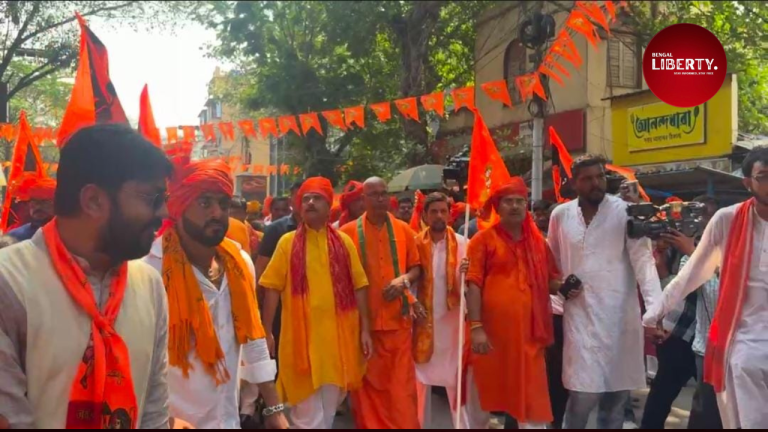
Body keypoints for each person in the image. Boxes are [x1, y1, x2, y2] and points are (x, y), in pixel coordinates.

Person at [0, 124, 173, 428]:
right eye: (151, 197)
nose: (163, 213)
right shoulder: (9, 280)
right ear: (93, 200)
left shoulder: (149, 285)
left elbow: (154, 412)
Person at [144, 159, 288, 429]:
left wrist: (274, 408)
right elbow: (137, 364)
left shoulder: (240, 262)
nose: (217, 213)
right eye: (204, 203)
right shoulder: (148, 269)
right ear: (179, 205)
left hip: (227, 420)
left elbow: (253, 337)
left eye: (223, 204)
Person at [643, 147, 768, 429]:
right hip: (742, 349)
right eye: (764, 177)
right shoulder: (728, 220)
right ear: (747, 183)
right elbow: (692, 273)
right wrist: (654, 313)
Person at [547, 155, 661, 429]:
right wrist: (558, 289)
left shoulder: (626, 212)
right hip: (579, 318)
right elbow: (551, 264)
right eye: (587, 179)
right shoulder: (560, 215)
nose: (596, 183)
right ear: (574, 183)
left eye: (600, 177)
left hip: (620, 321)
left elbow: (643, 262)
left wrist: (655, 312)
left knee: (615, 402)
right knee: (581, 397)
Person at [260, 177, 373, 429]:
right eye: (306, 199)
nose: (310, 203)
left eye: (317, 198)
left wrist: (365, 330)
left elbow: (360, 286)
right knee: (306, 415)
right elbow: (272, 288)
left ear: (329, 205)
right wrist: (266, 331)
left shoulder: (343, 243)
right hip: (300, 343)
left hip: (336, 343)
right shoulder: (287, 243)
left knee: (328, 410)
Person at [466, 178, 567, 429]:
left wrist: (570, 286)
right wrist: (476, 327)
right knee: (484, 391)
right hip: (492, 336)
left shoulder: (538, 243)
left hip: (530, 335)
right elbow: (473, 285)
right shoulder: (482, 240)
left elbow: (551, 281)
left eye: (520, 201)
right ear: (498, 207)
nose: (514, 206)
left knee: (531, 394)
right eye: (508, 201)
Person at [340, 177, 423, 429]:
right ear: (363, 199)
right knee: (367, 391)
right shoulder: (347, 234)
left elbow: (416, 267)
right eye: (374, 194)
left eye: (383, 193)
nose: (380, 199)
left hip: (398, 323)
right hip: (363, 325)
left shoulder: (404, 230)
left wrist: (404, 280)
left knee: (401, 389)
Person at [413, 192, 477, 428]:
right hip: (423, 323)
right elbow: (411, 280)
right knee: (419, 381)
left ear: (450, 215)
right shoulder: (415, 244)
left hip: (452, 325)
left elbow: (470, 287)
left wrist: (465, 274)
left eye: (443, 211)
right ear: (425, 215)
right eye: (434, 212)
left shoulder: (464, 244)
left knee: (456, 381)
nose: (439, 216)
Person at [639, 235, 698, 429]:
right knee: (661, 396)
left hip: (705, 338)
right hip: (680, 334)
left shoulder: (698, 251)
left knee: (707, 404)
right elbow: (677, 292)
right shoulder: (687, 247)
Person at [675, 196, 723, 430]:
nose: (705, 221)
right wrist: (694, 253)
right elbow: (684, 288)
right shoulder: (688, 257)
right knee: (706, 411)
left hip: (744, 347)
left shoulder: (737, 250)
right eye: (699, 216)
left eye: (709, 215)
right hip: (707, 349)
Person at [6, 177, 56, 241]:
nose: (38, 206)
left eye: (45, 202)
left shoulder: (66, 235)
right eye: (34, 201)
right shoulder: (14, 236)